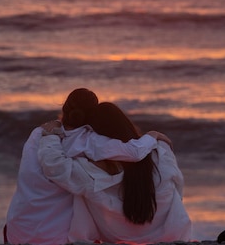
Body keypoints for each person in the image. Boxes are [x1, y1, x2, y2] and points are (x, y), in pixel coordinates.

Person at [5, 88, 170, 245]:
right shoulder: (87, 140)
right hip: (53, 237)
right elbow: (134, 153)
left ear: (65, 108)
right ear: (93, 115)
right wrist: (151, 136)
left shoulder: (39, 133)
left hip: (18, 230)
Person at [37, 101, 192, 244]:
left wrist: (50, 136)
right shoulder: (160, 152)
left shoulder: (90, 171)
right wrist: (152, 136)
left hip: (116, 236)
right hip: (172, 234)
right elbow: (178, 191)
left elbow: (54, 165)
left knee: (74, 188)